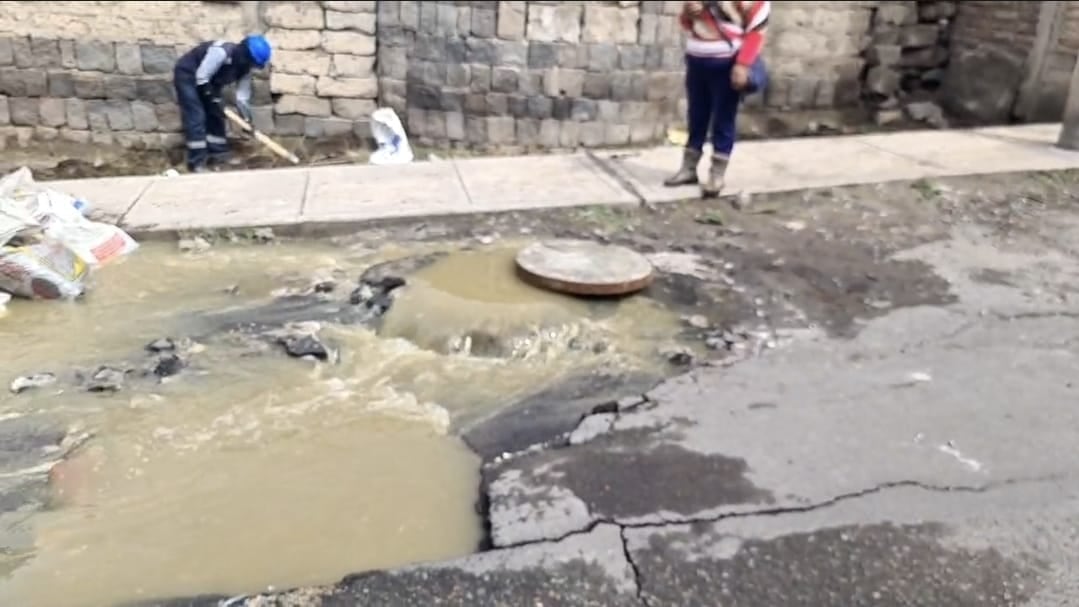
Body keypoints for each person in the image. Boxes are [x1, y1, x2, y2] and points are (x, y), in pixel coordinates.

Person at [664, 1, 770, 197]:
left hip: (727, 64)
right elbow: (687, 24)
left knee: (723, 119)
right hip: (697, 61)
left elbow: (756, 31)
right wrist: (689, 13)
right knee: (696, 116)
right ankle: (688, 169)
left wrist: (743, 65)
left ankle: (716, 175)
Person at [173, 35, 272, 173]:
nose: (252, 66)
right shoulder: (221, 52)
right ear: (245, 54)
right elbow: (202, 76)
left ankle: (219, 155)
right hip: (188, 76)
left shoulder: (245, 69)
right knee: (196, 116)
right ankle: (196, 163)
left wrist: (247, 119)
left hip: (210, 82)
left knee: (216, 115)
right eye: (252, 62)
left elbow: (242, 98)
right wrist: (211, 98)